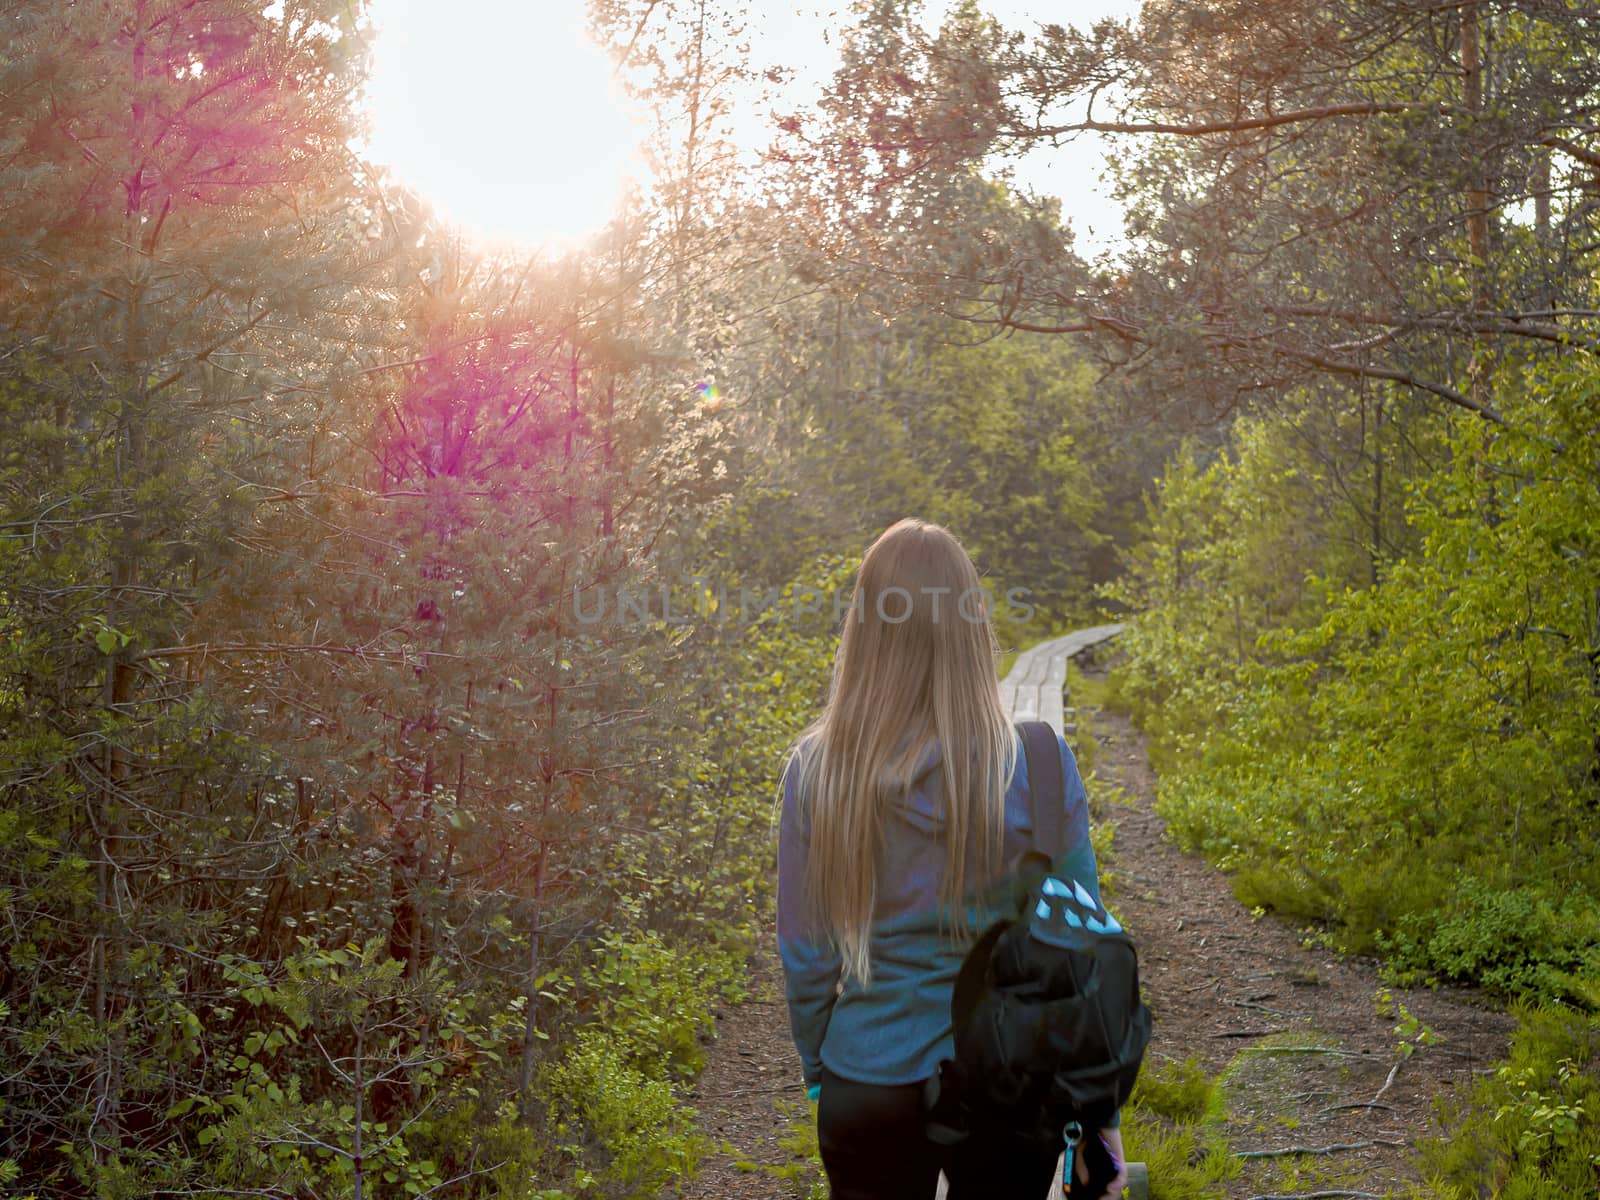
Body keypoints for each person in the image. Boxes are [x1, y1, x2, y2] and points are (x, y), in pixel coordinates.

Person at [777, 518, 1126, 1200]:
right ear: (972, 629)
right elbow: (1086, 945)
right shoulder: (1040, 763)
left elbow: (807, 956)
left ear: (864, 631)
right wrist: (1099, 1108)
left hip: (866, 1074)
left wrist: (822, 1066)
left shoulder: (818, 771)